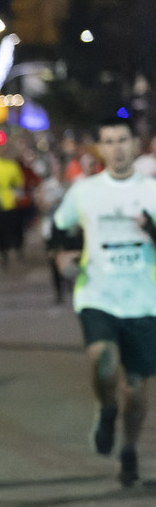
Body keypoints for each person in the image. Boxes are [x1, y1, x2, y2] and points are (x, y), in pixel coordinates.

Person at [50, 113, 156, 486]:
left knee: (138, 392)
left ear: (136, 145)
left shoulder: (152, 191)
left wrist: (152, 228)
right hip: (98, 293)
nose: (117, 148)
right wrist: (62, 254)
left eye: (122, 140)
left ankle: (128, 449)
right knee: (103, 362)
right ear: (100, 148)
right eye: (109, 141)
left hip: (145, 300)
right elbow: (58, 227)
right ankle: (107, 408)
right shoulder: (85, 191)